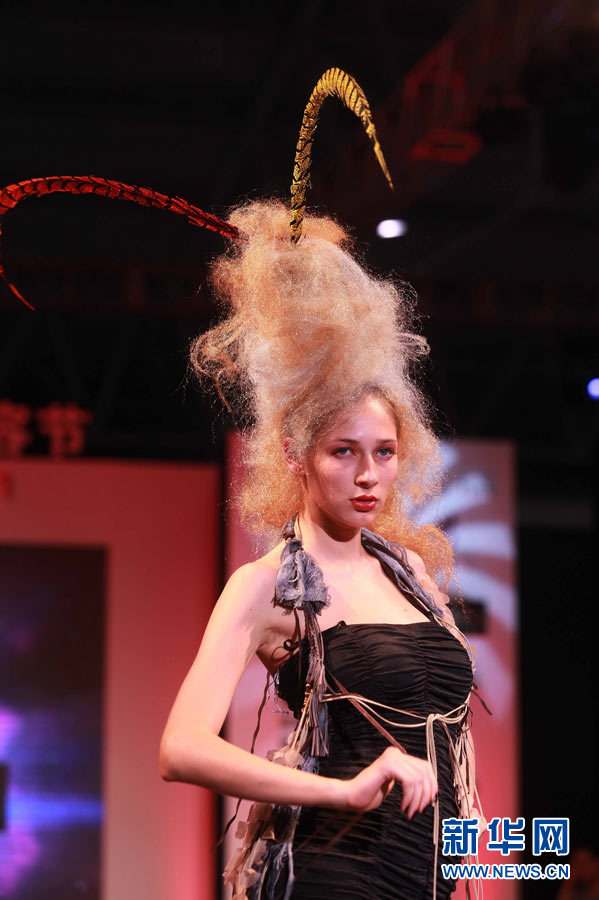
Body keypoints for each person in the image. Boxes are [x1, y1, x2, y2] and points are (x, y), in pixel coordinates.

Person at [159, 194, 487, 900]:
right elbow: (180, 748)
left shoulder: (410, 575)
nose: (369, 475)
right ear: (293, 455)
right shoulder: (266, 585)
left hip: (429, 876)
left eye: (384, 452)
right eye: (343, 451)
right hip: (335, 872)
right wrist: (341, 791)